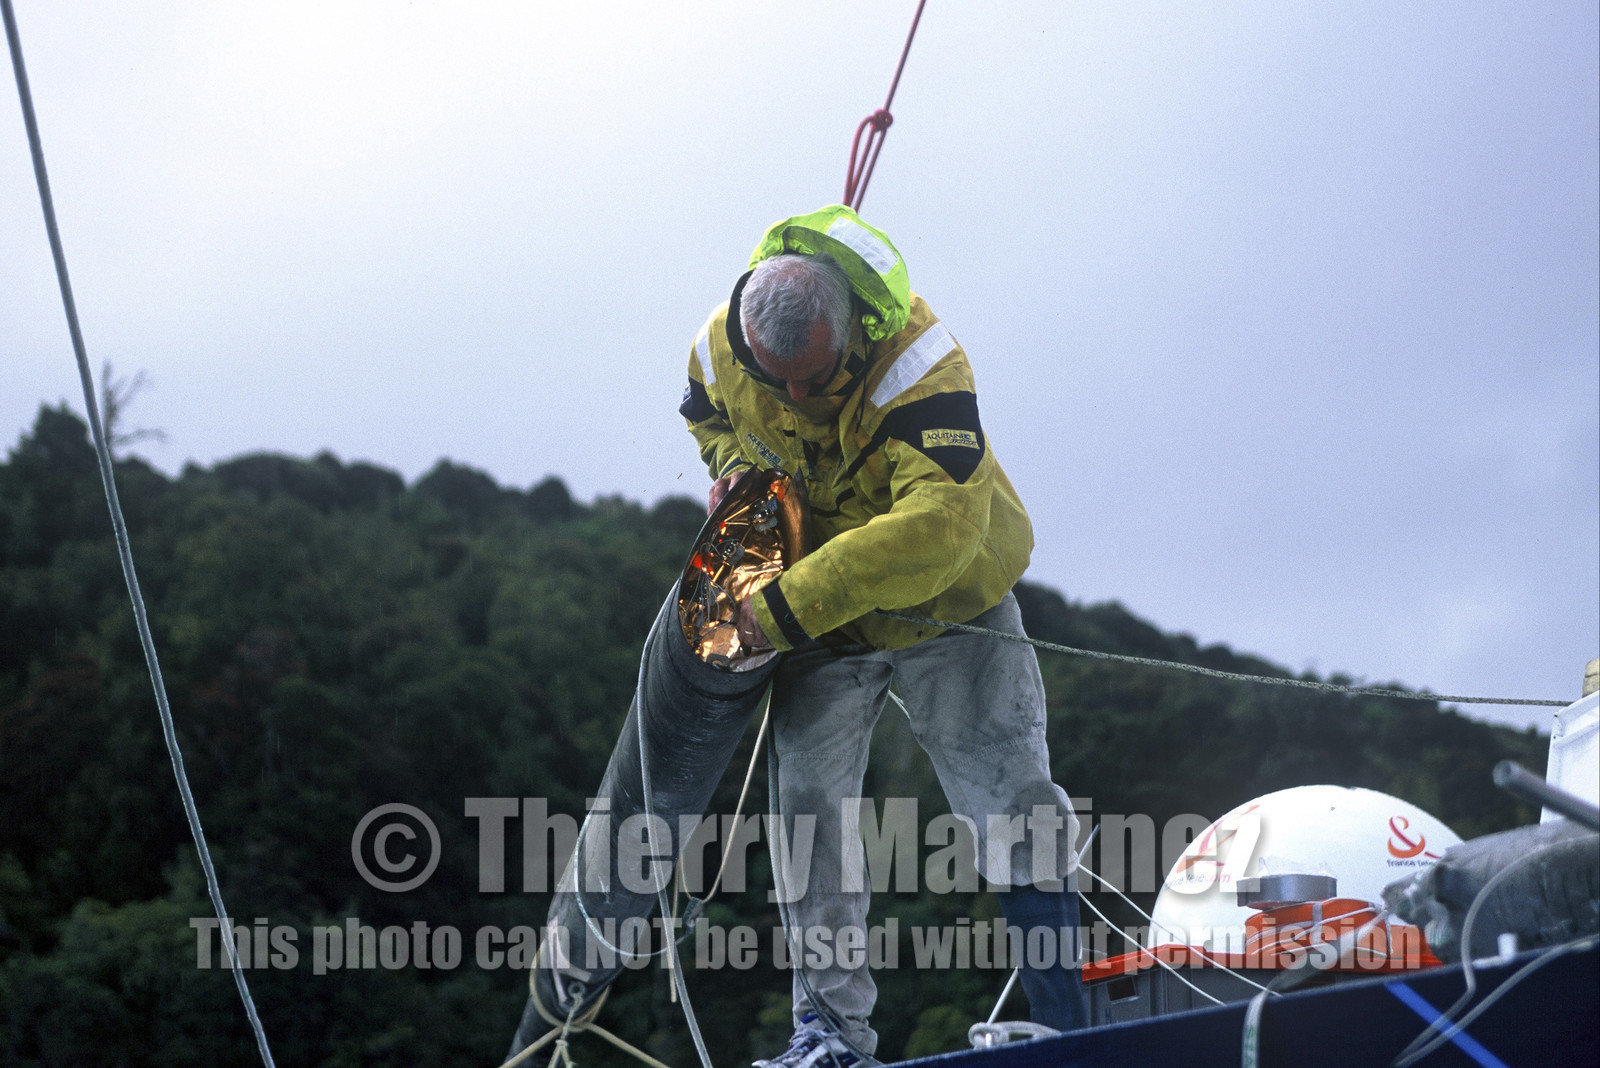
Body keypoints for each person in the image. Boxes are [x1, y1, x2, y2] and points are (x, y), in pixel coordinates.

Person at [679, 205, 1088, 1066]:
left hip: (947, 603)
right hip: (817, 603)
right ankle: (830, 1039)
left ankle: (1066, 1024)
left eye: (814, 379)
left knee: (1014, 797)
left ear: (854, 340)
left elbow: (938, 526)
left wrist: (782, 610)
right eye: (775, 377)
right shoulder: (722, 343)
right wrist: (736, 482)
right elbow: (707, 416)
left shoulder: (923, 369)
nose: (793, 397)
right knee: (806, 818)